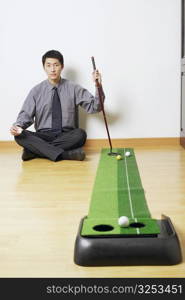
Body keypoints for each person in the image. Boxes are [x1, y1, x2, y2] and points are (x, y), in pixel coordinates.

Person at [10, 50, 104, 162]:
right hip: (43, 135)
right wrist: (18, 126)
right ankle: (66, 155)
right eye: (48, 65)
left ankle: (34, 151)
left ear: (62, 66)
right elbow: (25, 115)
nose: (52, 69)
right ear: (44, 67)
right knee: (19, 136)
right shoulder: (36, 91)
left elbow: (96, 107)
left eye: (56, 65)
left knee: (81, 134)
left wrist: (98, 85)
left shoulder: (73, 88)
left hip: (66, 135)